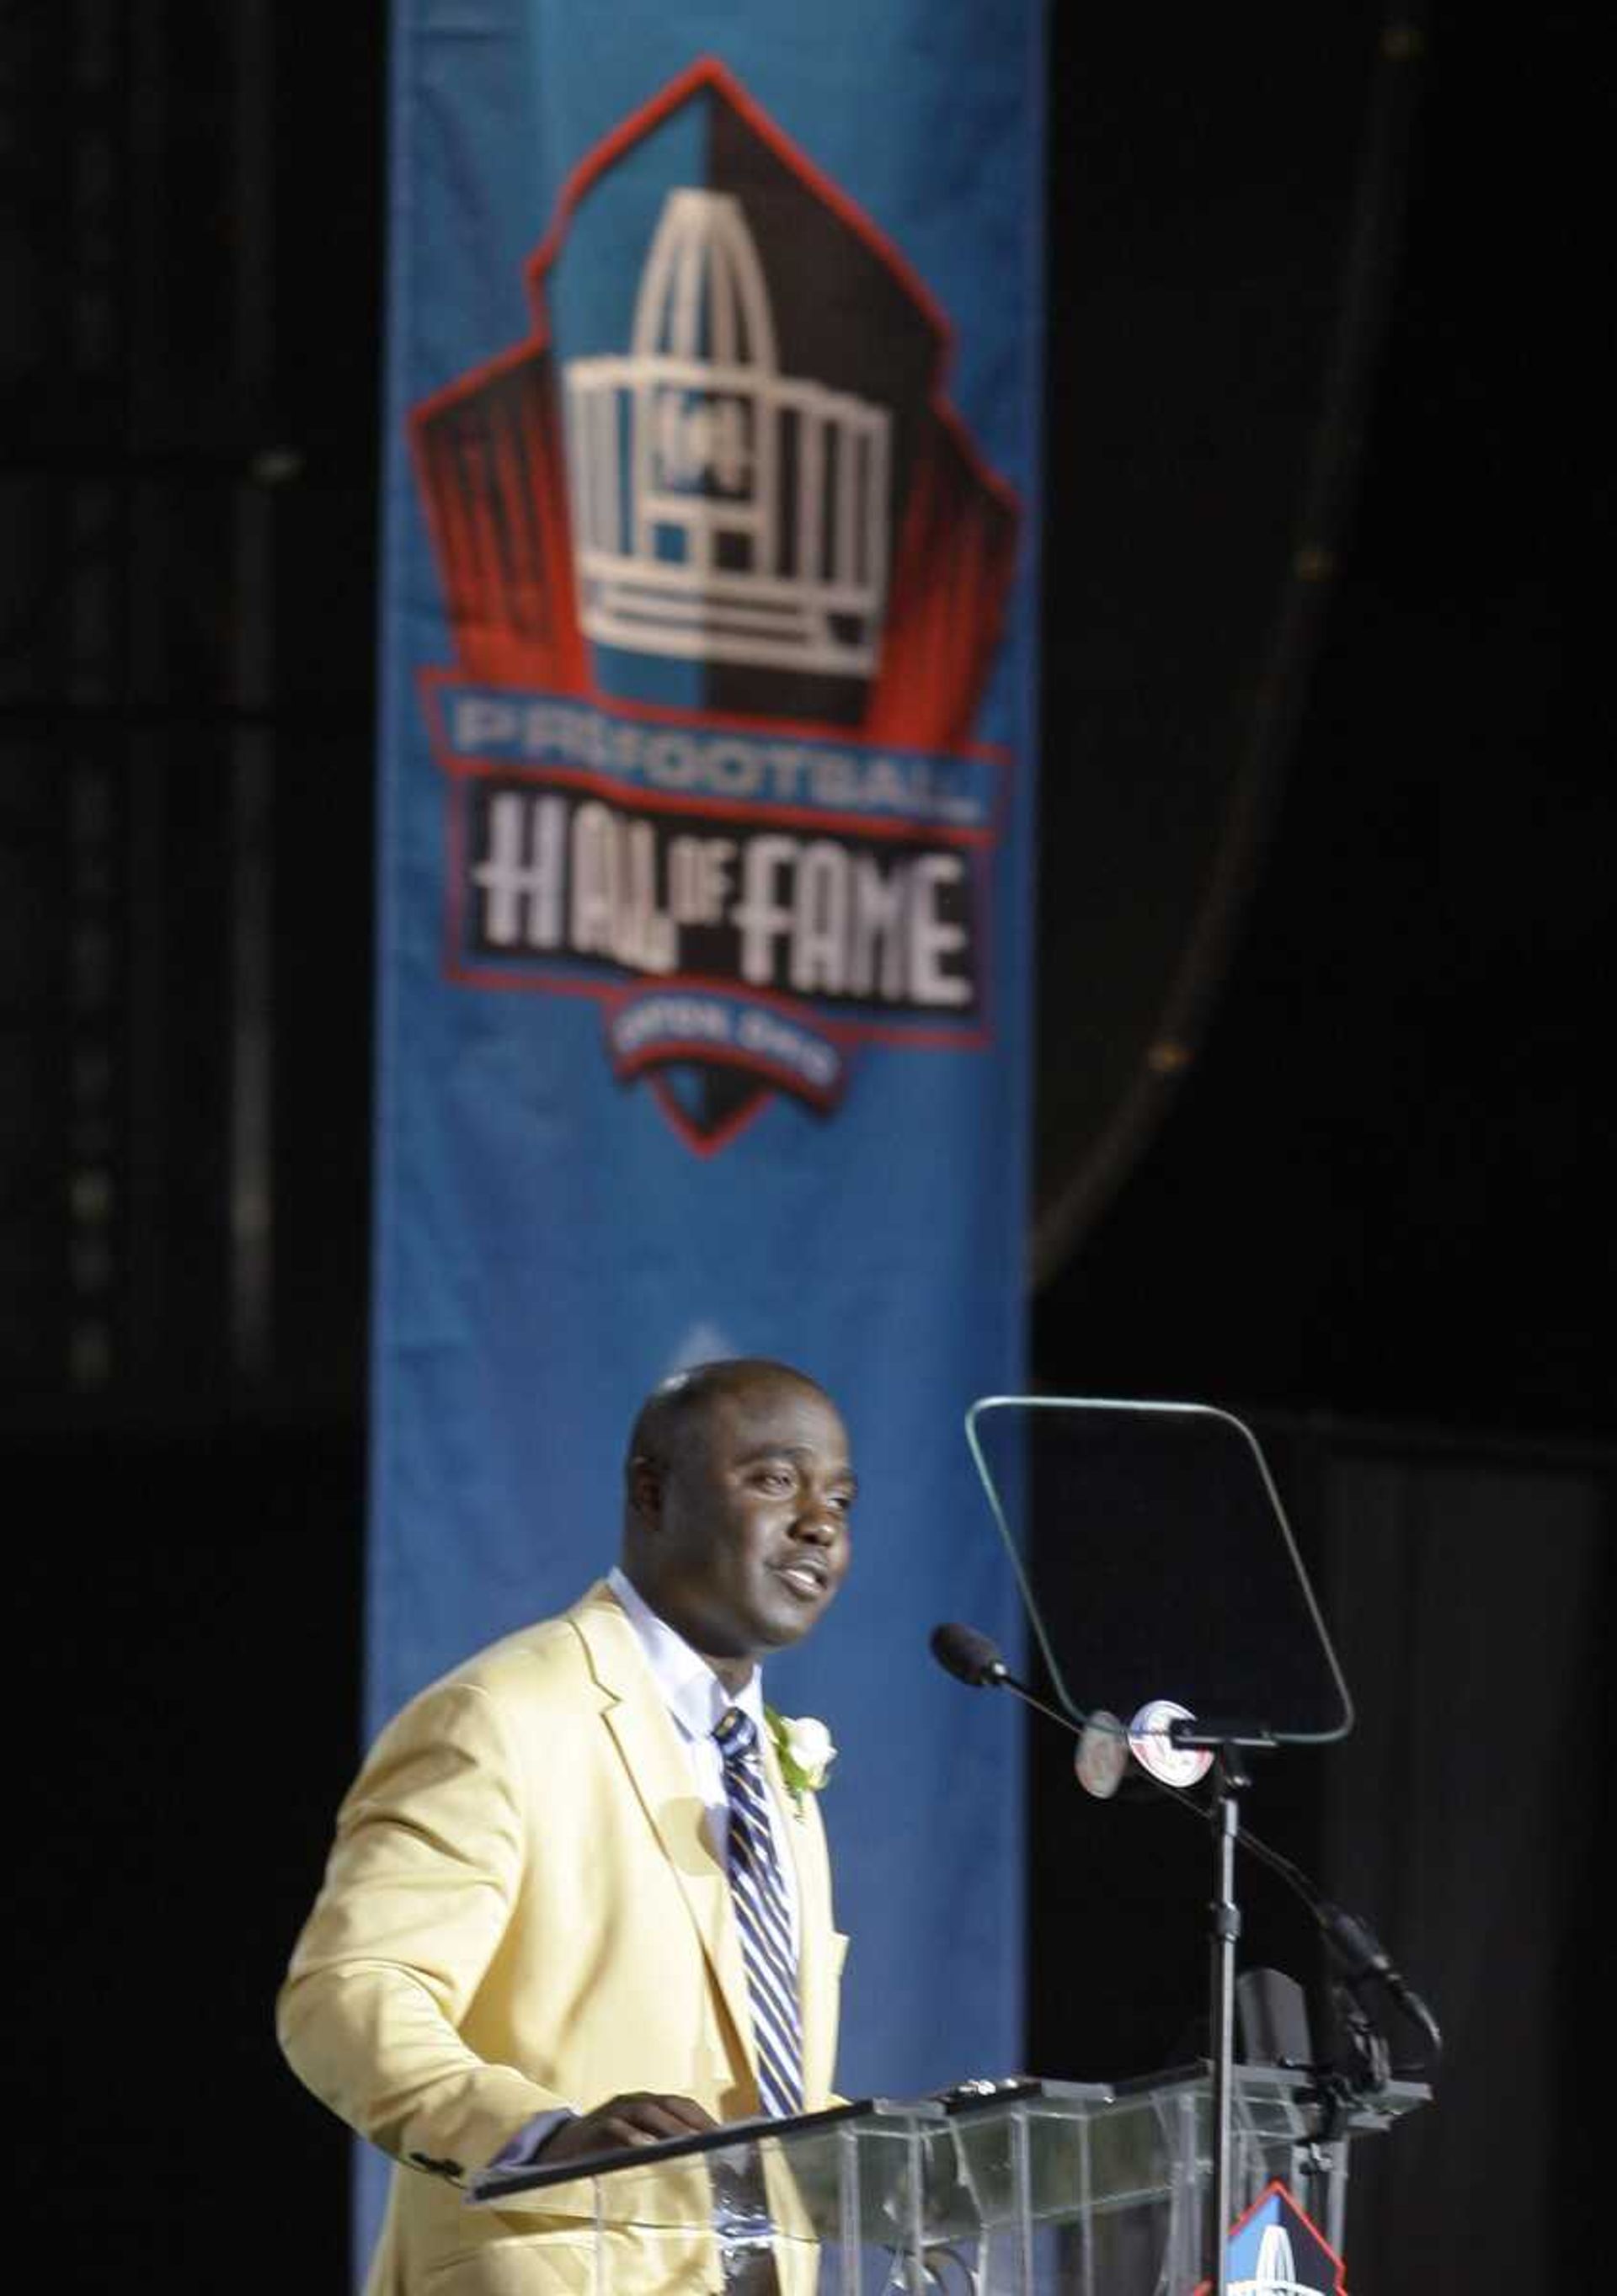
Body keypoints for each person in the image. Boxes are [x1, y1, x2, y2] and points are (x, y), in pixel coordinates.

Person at [278, 1357, 855, 2295]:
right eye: (774, 1479)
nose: (819, 1522)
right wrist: (540, 2136)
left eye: (840, 1498)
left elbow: (745, 2082)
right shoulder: (502, 1714)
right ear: (651, 1491)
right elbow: (346, 1995)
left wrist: (898, 2150)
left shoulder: (774, 1770)